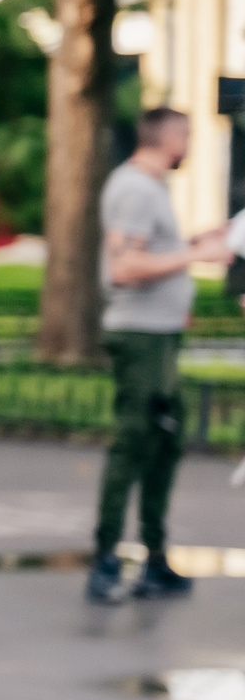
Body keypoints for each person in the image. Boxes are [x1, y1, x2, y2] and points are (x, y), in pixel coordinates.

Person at [90, 107, 230, 604]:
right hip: (140, 338)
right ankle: (106, 559)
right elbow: (124, 266)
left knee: (164, 443)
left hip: (161, 335)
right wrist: (194, 257)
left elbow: (152, 251)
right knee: (133, 442)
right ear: (168, 138)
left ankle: (154, 557)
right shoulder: (133, 188)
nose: (189, 146)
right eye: (187, 136)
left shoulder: (150, 189)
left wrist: (198, 241)